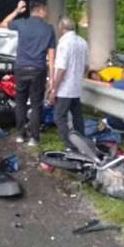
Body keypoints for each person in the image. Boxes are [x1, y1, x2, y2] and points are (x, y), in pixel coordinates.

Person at [0, 0, 56, 147]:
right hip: (38, 69)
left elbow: (3, 24)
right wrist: (52, 79)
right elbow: (51, 56)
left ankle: (20, 135)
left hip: (21, 68)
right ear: (41, 10)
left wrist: (17, 11)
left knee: (20, 102)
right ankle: (34, 138)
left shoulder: (22, 23)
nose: (47, 12)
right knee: (36, 104)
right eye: (46, 10)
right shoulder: (49, 29)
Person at [47, 17, 88, 150]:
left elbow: (61, 69)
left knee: (59, 117)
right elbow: (86, 67)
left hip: (65, 89)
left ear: (61, 29)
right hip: (76, 87)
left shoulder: (64, 43)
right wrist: (78, 78)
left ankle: (70, 145)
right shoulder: (83, 42)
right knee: (77, 117)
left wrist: (54, 89)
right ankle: (82, 142)